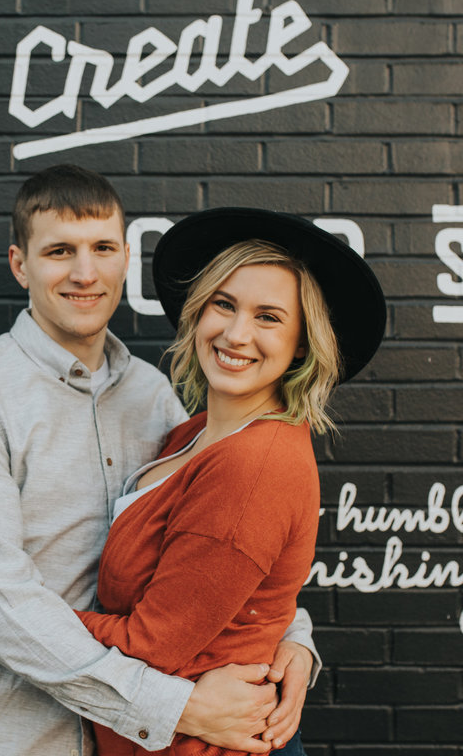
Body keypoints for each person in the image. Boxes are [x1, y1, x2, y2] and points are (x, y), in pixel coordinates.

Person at [0, 166, 322, 756]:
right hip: (1, 729)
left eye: (102, 249)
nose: (85, 273)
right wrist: (178, 707)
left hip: (125, 737)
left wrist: (293, 639)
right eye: (60, 251)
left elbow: (218, 549)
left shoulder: (154, 396)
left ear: (124, 260)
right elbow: (0, 606)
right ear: (19, 264)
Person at [73, 208, 386, 755]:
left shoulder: (253, 463)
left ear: (302, 345)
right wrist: (295, 637)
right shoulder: (195, 433)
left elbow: (151, 646)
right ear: (198, 312)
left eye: (269, 317)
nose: (236, 334)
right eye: (224, 304)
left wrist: (4, 613)